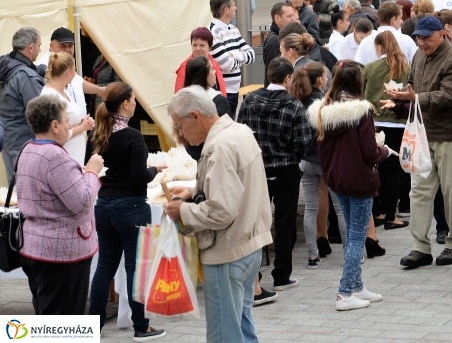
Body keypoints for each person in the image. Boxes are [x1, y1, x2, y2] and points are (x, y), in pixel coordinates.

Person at [165, 87, 272, 342]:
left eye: (180, 126)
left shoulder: (218, 147)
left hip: (227, 250)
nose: (180, 134)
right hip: (249, 243)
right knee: (241, 326)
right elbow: (236, 187)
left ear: (195, 116)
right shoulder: (239, 131)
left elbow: (221, 211)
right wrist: (194, 191)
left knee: (224, 333)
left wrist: (183, 210)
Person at [386, 16, 452, 269]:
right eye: (418, 38)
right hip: (423, 134)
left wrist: (414, 97)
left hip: (449, 136)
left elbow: (450, 95)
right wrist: (400, 99)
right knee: (419, 191)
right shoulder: (418, 56)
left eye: (426, 37)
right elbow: (413, 87)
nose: (421, 42)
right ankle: (420, 247)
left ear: (441, 34)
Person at [308, 61, 390, 311]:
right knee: (356, 236)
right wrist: (383, 150)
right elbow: (369, 152)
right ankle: (344, 293)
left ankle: (357, 286)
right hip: (359, 179)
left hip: (336, 178)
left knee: (352, 233)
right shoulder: (361, 112)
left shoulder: (322, 110)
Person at [87, 83, 166, 339]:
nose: (135, 103)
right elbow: (139, 177)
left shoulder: (100, 134)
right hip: (130, 206)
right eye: (133, 99)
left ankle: (93, 327)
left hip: (104, 205)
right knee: (135, 267)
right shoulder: (132, 136)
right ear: (125, 104)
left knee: (104, 268)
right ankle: (141, 326)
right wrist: (156, 169)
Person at [15, 95, 103, 314]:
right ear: (54, 125)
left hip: (35, 246)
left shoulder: (28, 148)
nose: (69, 126)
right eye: (66, 121)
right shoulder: (54, 156)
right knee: (64, 319)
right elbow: (82, 202)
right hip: (60, 252)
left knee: (47, 313)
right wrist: (92, 171)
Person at [236, 58, 311, 295]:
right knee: (284, 222)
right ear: (288, 78)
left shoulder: (249, 100)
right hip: (286, 168)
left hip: (256, 167)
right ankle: (282, 275)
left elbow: (240, 132)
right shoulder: (294, 106)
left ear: (268, 75)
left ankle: (253, 275)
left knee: (254, 223)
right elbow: (303, 142)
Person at [288, 62, 347, 269]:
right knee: (340, 208)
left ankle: (312, 256)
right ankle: (350, 253)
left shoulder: (297, 101)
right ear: (320, 80)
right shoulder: (323, 103)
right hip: (326, 160)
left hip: (305, 161)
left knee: (310, 209)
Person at [363, 32, 410, 230]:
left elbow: (362, 91)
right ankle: (392, 215)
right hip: (398, 123)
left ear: (379, 47)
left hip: (375, 122)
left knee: (376, 169)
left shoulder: (371, 67)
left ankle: (377, 213)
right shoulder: (405, 67)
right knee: (393, 171)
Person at [0, 27, 44, 184]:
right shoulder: (25, 76)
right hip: (25, 143)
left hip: (6, 139)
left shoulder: (4, 65)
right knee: (27, 196)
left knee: (15, 196)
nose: (40, 50)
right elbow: (40, 113)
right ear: (30, 47)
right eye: (39, 45)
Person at [39, 53, 94, 164]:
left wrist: (82, 121)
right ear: (68, 71)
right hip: (64, 158)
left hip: (74, 156)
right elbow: (57, 134)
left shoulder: (63, 91)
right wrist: (83, 127)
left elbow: (68, 120)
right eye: (75, 70)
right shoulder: (50, 96)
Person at [209, 0, 255, 112]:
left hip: (234, 91)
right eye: (233, 5)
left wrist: (233, 55)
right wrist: (240, 58)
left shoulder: (234, 29)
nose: (236, 8)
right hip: (222, 93)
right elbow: (227, 66)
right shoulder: (213, 33)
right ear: (226, 9)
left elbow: (252, 55)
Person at [181, 56, 234, 160]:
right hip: (217, 160)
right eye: (212, 69)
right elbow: (228, 137)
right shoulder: (219, 102)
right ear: (204, 75)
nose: (215, 72)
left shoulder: (184, 102)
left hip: (197, 159)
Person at [174, 27, 228, 96]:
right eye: (194, 45)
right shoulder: (185, 67)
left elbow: (222, 88)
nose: (198, 49)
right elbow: (179, 97)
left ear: (210, 47)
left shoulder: (213, 63)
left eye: (202, 45)